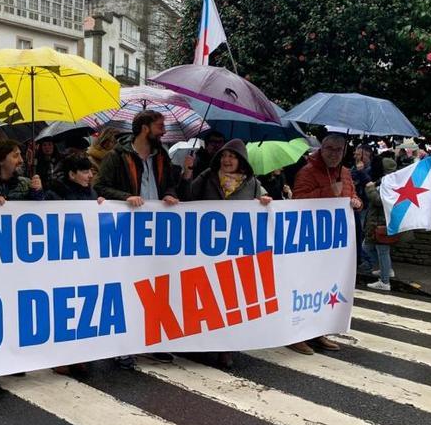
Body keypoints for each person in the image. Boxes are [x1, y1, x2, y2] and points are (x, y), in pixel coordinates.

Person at [94, 110, 189, 367]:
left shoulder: (162, 157)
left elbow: (170, 184)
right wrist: (125, 196)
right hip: (127, 232)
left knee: (156, 286)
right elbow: (100, 187)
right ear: (145, 128)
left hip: (157, 231)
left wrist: (169, 193)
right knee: (127, 286)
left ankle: (153, 340)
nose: (163, 130)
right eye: (159, 126)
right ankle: (123, 345)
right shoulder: (117, 156)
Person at [190, 139, 272, 368]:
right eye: (224, 155)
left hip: (235, 252)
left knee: (230, 297)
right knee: (207, 296)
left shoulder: (252, 183)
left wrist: (264, 201)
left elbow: (264, 200)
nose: (227, 160)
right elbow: (186, 196)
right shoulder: (207, 176)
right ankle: (203, 343)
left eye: (232, 157)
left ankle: (226, 347)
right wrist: (187, 172)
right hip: (205, 249)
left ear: (241, 161)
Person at [288, 134, 362, 355]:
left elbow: (352, 195)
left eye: (339, 150)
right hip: (311, 242)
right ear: (321, 148)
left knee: (324, 289)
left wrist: (356, 202)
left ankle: (317, 332)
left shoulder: (346, 173)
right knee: (304, 289)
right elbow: (299, 201)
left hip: (334, 245)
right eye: (329, 148)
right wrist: (329, 192)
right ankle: (295, 335)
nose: (333, 153)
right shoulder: (307, 171)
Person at [44, 154, 103, 375]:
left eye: (90, 171)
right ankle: (59, 357)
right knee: (62, 307)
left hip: (83, 260)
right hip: (62, 260)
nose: (90, 175)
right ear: (71, 174)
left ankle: (78, 354)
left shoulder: (91, 193)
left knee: (82, 306)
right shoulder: (55, 194)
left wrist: (101, 206)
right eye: (85, 171)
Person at [364, 157, 398, 291]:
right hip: (379, 222)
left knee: (381, 250)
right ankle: (386, 270)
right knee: (368, 247)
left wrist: (370, 190)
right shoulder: (388, 181)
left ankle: (385, 281)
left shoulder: (388, 184)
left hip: (380, 223)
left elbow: (380, 201)